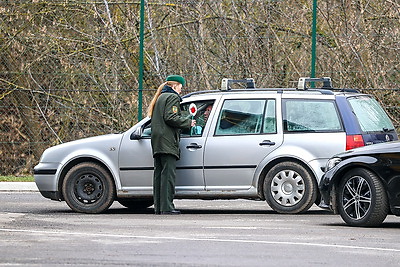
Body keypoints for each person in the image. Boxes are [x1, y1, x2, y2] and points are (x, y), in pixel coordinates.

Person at [147, 75, 195, 215]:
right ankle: (167, 207)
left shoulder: (161, 97)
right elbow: (170, 117)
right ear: (175, 86)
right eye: (180, 87)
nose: (181, 90)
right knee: (168, 175)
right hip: (167, 140)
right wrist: (188, 122)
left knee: (159, 175)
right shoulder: (172, 97)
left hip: (157, 140)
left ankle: (159, 207)